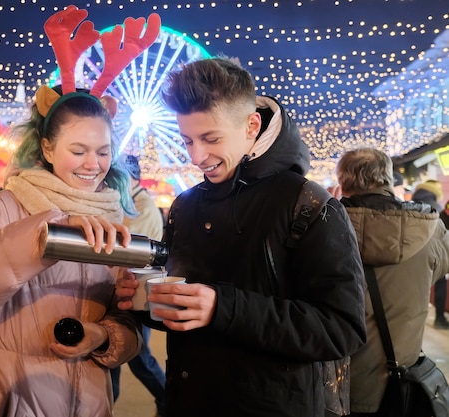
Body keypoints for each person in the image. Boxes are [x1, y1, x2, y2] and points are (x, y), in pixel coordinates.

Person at [115, 56, 367, 417]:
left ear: (251, 125)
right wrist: (148, 302)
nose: (197, 156)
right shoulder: (185, 206)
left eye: (210, 138)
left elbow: (341, 329)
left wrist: (223, 307)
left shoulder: (308, 204)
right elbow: (189, 309)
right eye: (187, 140)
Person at [0, 87, 143, 416]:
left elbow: (127, 323)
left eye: (104, 152)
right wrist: (49, 234)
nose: (93, 164)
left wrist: (104, 336)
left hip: (89, 401)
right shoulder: (12, 203)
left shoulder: (112, 215)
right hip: (17, 395)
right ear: (48, 148)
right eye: (78, 151)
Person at [334, 148, 449, 416]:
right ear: (387, 178)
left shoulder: (322, 226)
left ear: (342, 181)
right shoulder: (430, 229)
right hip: (401, 381)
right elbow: (437, 270)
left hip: (338, 384)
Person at [110, 154, 166, 417]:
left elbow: (123, 250)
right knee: (115, 356)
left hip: (136, 293)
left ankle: (168, 398)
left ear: (129, 178)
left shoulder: (142, 206)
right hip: (125, 291)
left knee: (139, 357)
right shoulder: (130, 201)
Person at [411, 180, 449, 329]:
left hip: (410, 255)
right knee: (439, 284)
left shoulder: (411, 203)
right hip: (430, 255)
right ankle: (439, 318)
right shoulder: (435, 207)